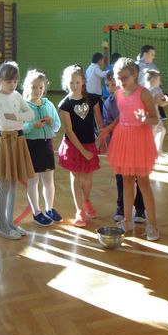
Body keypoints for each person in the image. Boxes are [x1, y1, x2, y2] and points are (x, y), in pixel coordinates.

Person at [100, 57, 160, 241]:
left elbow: (155, 119)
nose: (121, 81)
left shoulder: (144, 93)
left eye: (124, 78)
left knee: (143, 182)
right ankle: (127, 220)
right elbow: (121, 116)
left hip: (140, 140)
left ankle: (152, 224)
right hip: (123, 138)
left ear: (135, 75)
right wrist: (108, 129)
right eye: (118, 78)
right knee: (126, 181)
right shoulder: (119, 93)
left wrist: (144, 119)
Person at [0, 62, 35, 239]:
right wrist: (20, 119)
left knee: (13, 184)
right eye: (9, 81)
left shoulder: (16, 95)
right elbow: (3, 124)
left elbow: (31, 114)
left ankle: (10, 222)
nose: (13, 85)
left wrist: (15, 117)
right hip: (4, 142)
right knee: (4, 185)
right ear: (0, 80)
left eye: (15, 81)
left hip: (18, 141)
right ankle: (2, 225)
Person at [58, 64, 102, 227]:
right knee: (76, 176)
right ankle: (79, 210)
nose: (74, 86)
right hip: (74, 146)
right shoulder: (65, 104)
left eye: (77, 82)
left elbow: (99, 122)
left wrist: (101, 140)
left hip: (89, 143)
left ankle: (87, 200)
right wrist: (82, 151)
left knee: (88, 178)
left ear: (83, 81)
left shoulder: (93, 99)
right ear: (66, 83)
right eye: (71, 82)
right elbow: (69, 131)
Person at [102, 70, 146, 224]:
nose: (110, 88)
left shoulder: (134, 99)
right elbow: (108, 126)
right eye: (107, 85)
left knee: (139, 179)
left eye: (113, 84)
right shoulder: (108, 103)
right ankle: (121, 207)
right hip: (119, 148)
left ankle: (140, 209)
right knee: (121, 180)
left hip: (136, 146)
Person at [21, 69, 62, 226]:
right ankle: (36, 212)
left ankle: (49, 208)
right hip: (31, 146)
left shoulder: (48, 104)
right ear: (27, 87)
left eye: (40, 87)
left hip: (46, 145)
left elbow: (57, 126)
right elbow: (21, 128)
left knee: (48, 180)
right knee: (33, 181)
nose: (37, 90)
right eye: (33, 87)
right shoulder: (24, 105)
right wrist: (33, 125)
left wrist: (52, 122)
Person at [143, 69, 168, 158]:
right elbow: (160, 103)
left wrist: (165, 99)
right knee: (152, 134)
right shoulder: (150, 90)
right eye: (159, 80)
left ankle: (158, 152)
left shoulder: (155, 89)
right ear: (152, 80)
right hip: (151, 117)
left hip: (155, 116)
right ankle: (148, 154)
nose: (160, 82)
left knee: (161, 130)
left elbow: (161, 100)